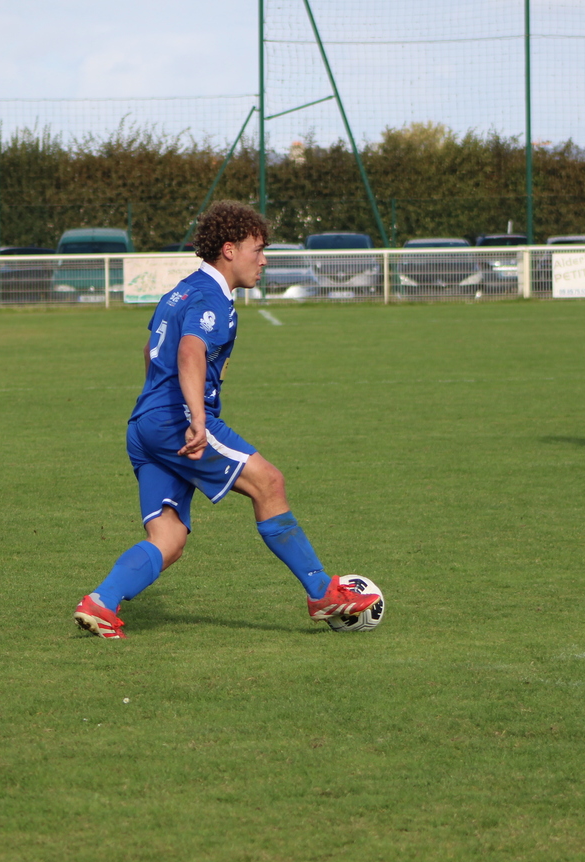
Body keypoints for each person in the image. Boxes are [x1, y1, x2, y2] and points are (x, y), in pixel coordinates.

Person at [72, 201, 382, 639]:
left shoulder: (181, 291)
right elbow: (189, 351)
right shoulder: (210, 298)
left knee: (169, 539)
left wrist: (158, 407)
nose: (264, 259)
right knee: (269, 482)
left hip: (144, 424)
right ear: (229, 249)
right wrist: (197, 418)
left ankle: (100, 603)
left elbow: (149, 351)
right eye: (258, 249)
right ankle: (322, 593)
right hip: (177, 421)